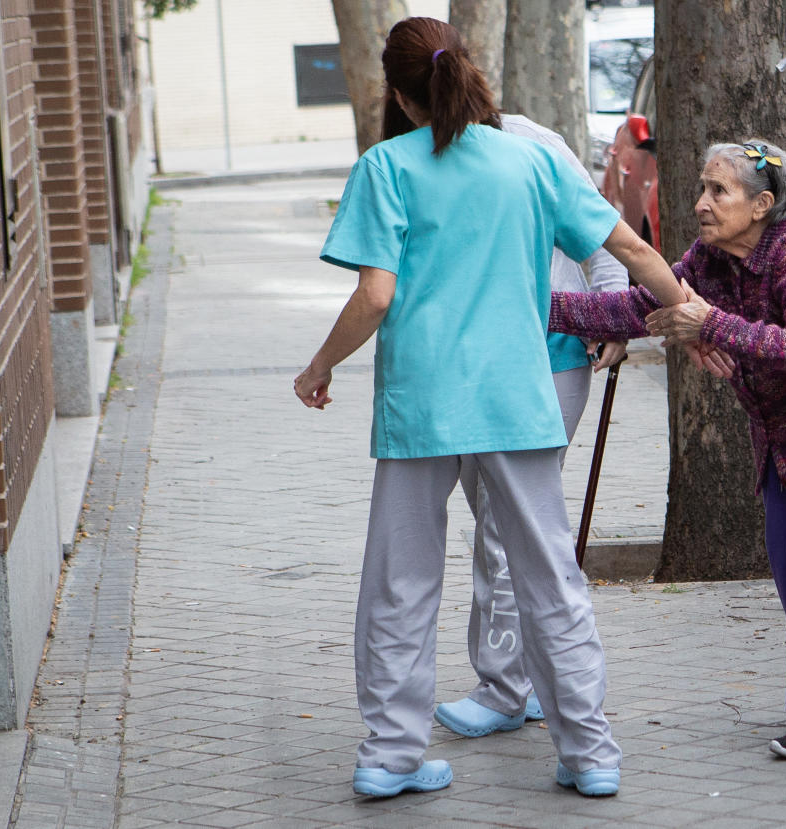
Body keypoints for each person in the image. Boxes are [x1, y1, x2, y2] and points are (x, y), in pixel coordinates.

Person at [293, 17, 720, 800]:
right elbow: (630, 252)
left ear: (396, 92)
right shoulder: (530, 160)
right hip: (518, 397)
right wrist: (694, 315)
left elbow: (375, 295)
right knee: (549, 575)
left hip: (420, 407)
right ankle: (589, 752)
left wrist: (321, 364)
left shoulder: (384, 168)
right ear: (466, 71)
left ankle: (389, 754)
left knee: (400, 581)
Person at [548, 139, 786, 760]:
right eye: (702, 188)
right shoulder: (711, 258)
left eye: (719, 192)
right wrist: (543, 307)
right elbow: (639, 305)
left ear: (763, 204)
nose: (701, 204)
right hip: (782, 420)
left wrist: (709, 325)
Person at [435, 113, 629, 740]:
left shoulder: (534, 143)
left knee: (503, 523)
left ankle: (504, 688)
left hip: (551, 353)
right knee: (499, 519)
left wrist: (612, 316)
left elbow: (600, 234)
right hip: (467, 362)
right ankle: (539, 678)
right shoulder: (418, 155)